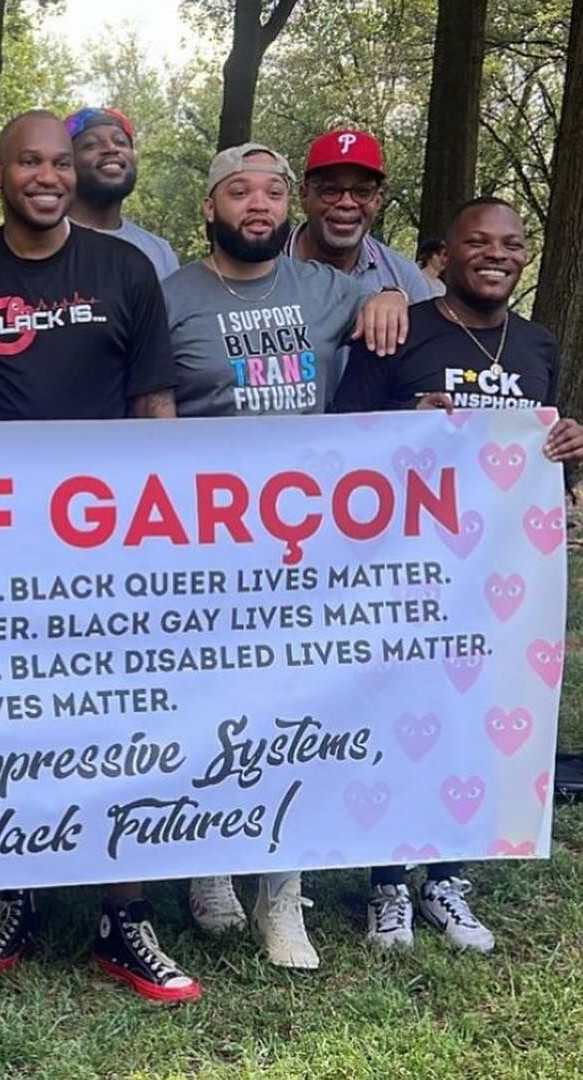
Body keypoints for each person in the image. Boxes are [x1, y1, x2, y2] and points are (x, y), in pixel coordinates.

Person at [0, 109, 196, 1003]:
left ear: (74, 175)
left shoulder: (124, 270)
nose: (46, 175)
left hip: (108, 546)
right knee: (11, 726)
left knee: (121, 725)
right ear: (0, 173)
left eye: (58, 162)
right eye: (28, 161)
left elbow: (154, 405)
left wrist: (152, 539)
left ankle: (128, 916)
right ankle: (20, 892)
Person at [169, 144, 408, 970]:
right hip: (200, 546)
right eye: (241, 192)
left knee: (292, 715)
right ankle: (207, 863)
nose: (260, 205)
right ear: (211, 207)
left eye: (273, 192)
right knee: (211, 712)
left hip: (305, 545)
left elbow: (422, 320)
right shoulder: (171, 298)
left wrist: (385, 296)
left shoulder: (329, 289)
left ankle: (282, 894)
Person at [333, 197, 583, 954]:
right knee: (400, 715)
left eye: (510, 243)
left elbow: (540, 447)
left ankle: (445, 881)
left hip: (501, 572)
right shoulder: (402, 330)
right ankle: (386, 885)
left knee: (478, 723)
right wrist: (410, 418)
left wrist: (571, 439)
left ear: (524, 254)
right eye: (479, 241)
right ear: (447, 253)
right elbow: (341, 440)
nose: (496, 254)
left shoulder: (537, 344)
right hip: (404, 569)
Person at [285, 129, 433, 303]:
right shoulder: (264, 265)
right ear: (304, 195)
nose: (347, 203)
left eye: (362, 192)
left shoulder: (403, 277)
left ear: (378, 201)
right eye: (330, 190)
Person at [64, 106, 179, 280]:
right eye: (91, 145)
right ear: (66, 164)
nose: (111, 148)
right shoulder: (43, 243)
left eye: (121, 142)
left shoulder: (159, 251)